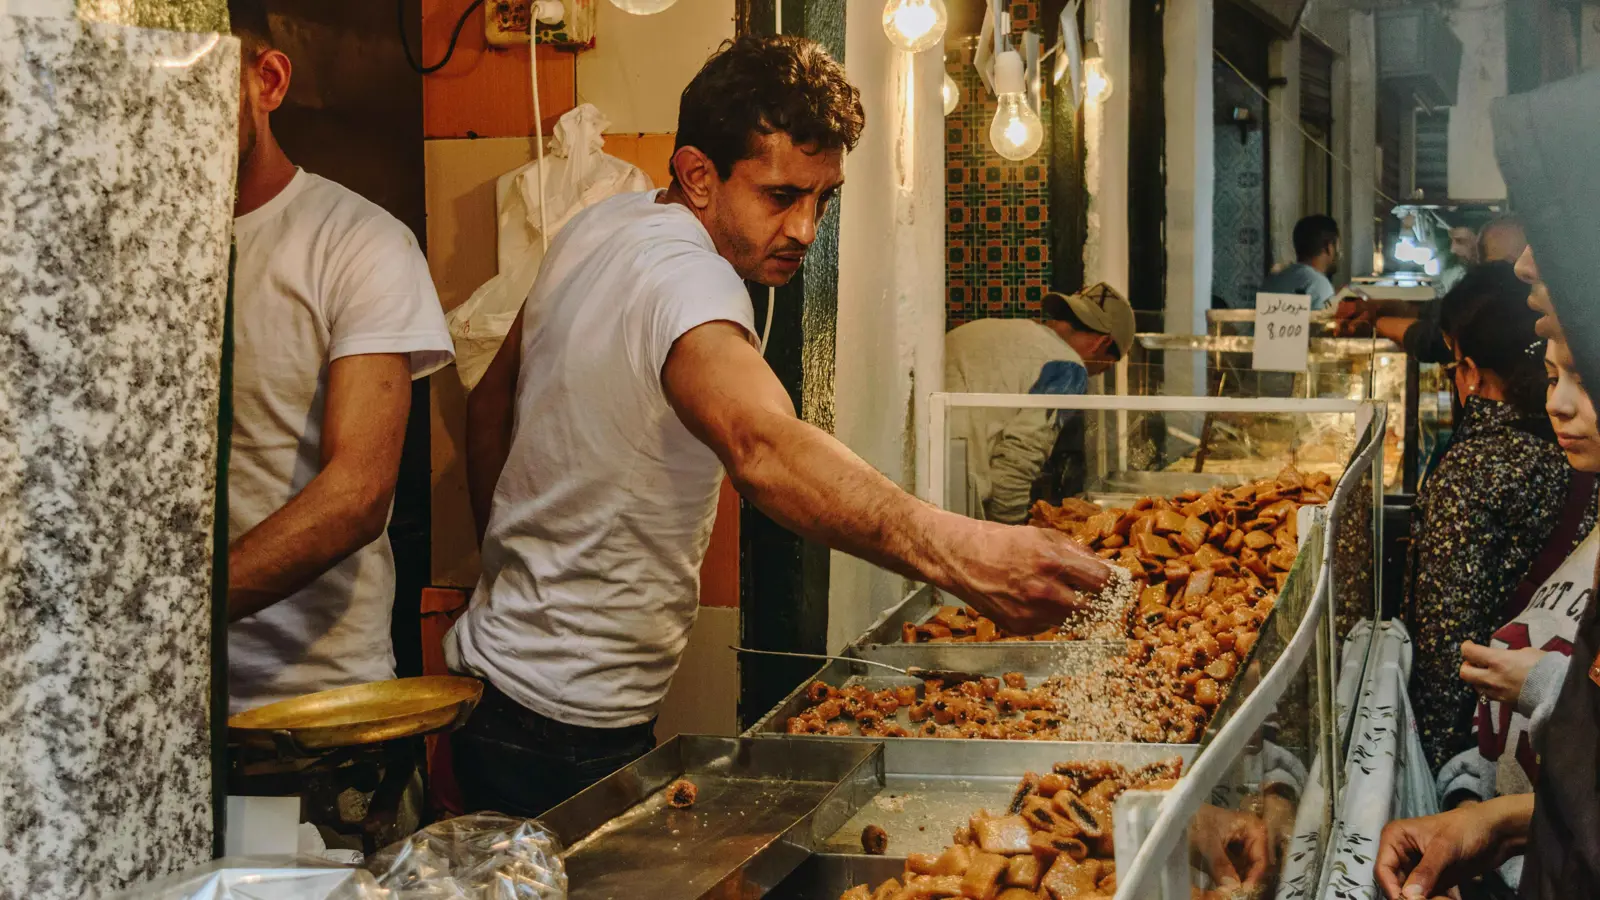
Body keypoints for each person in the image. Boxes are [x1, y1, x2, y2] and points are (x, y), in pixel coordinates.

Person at [450, 36, 1112, 817]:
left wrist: (515, 568)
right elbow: (763, 449)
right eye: (778, 195)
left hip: (491, 676)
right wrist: (964, 553)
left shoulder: (598, 228)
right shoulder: (688, 280)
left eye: (822, 198)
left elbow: (489, 404)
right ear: (698, 175)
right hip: (565, 723)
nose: (805, 227)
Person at [225, 4, 454, 713]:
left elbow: (356, 493)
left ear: (268, 79)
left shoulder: (357, 244)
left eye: (192, 86)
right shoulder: (119, 249)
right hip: (149, 700)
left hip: (312, 699)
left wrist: (168, 613)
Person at [1419, 322, 1600, 894]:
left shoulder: (1473, 469)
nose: (1558, 403)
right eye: (1552, 377)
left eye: (1585, 378)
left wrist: (1551, 687)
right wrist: (1480, 803)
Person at [1401, 263, 1581, 774]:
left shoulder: (1473, 469)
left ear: (1472, 371)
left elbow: (1445, 646)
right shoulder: (1571, 449)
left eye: (1455, 363)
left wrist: (1434, 772)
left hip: (1482, 745)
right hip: (1549, 737)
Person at [943, 283, 1134, 523]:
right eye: (1106, 365)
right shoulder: (1068, 368)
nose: (1097, 373)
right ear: (1102, 345)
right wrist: (1013, 538)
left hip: (922, 482)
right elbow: (1014, 468)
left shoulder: (984, 330)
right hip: (959, 503)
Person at [1257, 214, 1340, 310]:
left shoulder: (1271, 281)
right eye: (1337, 247)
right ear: (1328, 247)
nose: (1339, 254)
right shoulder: (1320, 286)